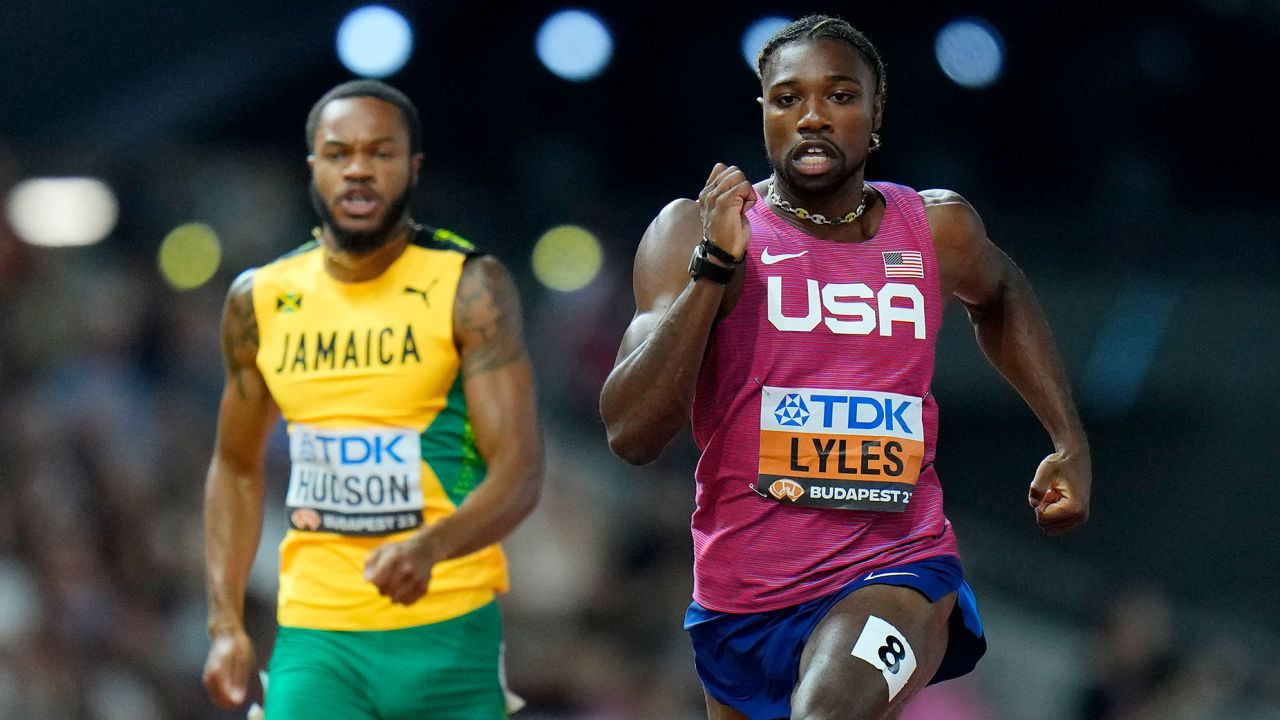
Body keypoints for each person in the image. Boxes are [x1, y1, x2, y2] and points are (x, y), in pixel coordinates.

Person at [600, 15, 1090, 720]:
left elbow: (1003, 290)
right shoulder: (693, 232)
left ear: (876, 111)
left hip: (897, 570)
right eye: (787, 99)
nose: (812, 118)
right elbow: (631, 435)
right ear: (763, 114)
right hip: (740, 598)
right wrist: (714, 269)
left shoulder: (934, 228)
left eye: (839, 96)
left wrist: (1066, 440)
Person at [201, 79, 543, 720]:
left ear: (413, 167)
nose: (358, 169)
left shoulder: (469, 287)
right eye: (338, 153)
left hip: (448, 627)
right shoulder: (261, 298)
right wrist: (225, 624)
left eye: (380, 153)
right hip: (317, 633)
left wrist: (428, 548)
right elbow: (235, 465)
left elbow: (520, 472)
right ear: (314, 167)